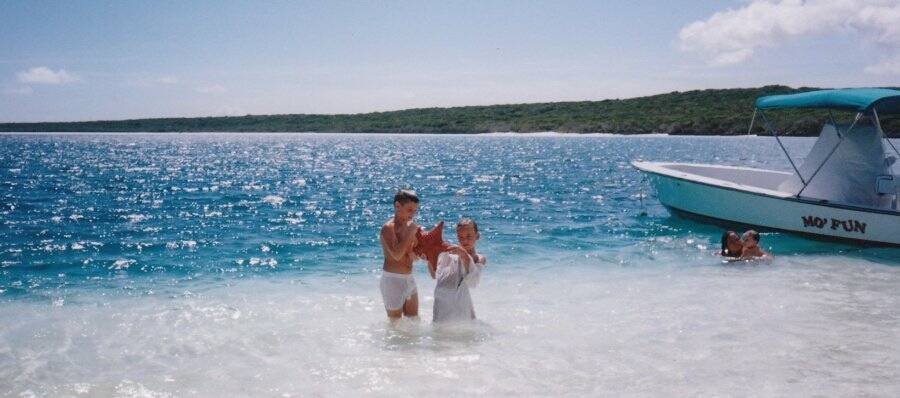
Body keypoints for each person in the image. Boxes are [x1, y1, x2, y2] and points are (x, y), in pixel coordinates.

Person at [379, 189, 423, 320]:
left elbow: (411, 255)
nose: (413, 214)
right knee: (395, 325)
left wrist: (415, 255)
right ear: (398, 206)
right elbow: (396, 255)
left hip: (409, 279)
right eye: (410, 210)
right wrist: (410, 232)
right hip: (392, 281)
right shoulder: (388, 228)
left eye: (415, 211)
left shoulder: (410, 227)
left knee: (414, 320)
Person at [433, 219, 487, 323]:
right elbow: (435, 274)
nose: (464, 240)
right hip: (442, 302)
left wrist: (464, 255)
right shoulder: (449, 255)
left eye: (468, 236)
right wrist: (430, 256)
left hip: (460, 303)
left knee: (463, 331)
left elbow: (473, 282)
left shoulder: (479, 258)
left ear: (477, 236)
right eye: (460, 237)